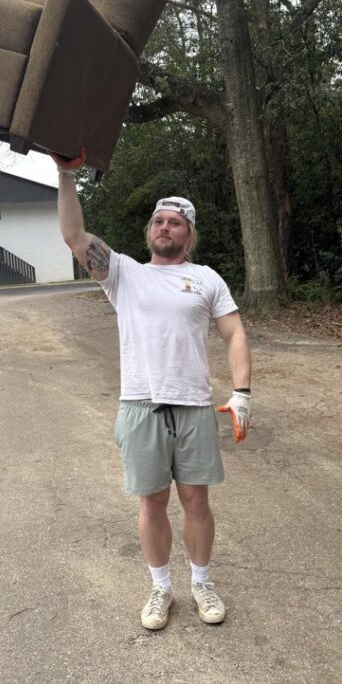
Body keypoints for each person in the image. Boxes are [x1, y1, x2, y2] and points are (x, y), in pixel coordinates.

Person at [52, 149, 252, 630]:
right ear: (150, 230)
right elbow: (74, 236)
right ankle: (161, 589)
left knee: (197, 502)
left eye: (175, 222)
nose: (165, 227)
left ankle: (200, 582)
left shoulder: (205, 279)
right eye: (159, 220)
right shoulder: (122, 273)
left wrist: (242, 392)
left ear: (189, 234)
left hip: (194, 408)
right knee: (151, 503)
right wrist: (65, 174)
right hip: (140, 405)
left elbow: (234, 333)